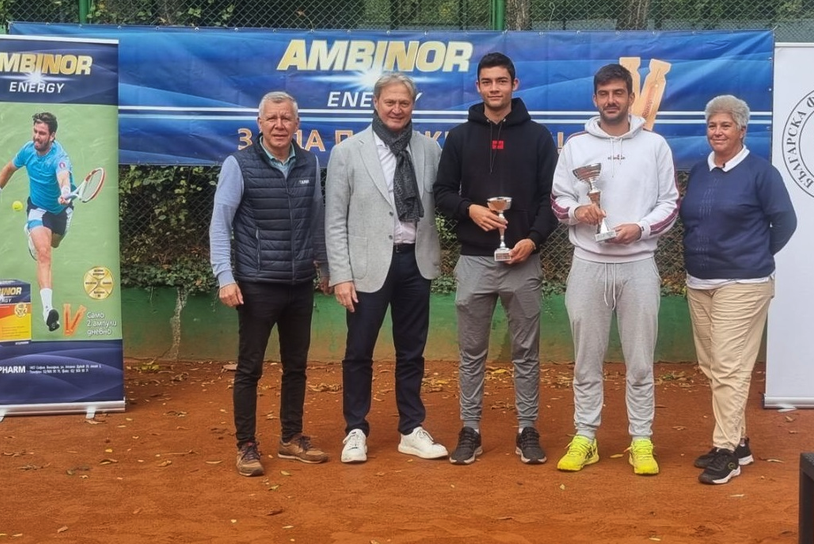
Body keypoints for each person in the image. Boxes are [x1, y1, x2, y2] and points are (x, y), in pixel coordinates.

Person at [551, 63, 679, 474]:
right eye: (604, 94)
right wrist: (579, 210)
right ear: (595, 98)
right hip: (587, 264)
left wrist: (639, 228)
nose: (611, 100)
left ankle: (641, 439)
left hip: (638, 265)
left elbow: (670, 202)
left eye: (618, 93)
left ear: (629, 97)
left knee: (640, 361)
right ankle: (585, 436)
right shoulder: (575, 147)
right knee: (586, 359)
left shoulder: (655, 145)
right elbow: (557, 200)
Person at [434, 52, 558, 465]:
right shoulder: (459, 137)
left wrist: (534, 240)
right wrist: (470, 209)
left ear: (514, 85)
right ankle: (470, 429)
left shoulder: (539, 138)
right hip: (474, 261)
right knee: (471, 353)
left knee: (526, 352)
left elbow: (549, 199)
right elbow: (443, 192)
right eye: (487, 82)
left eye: (501, 81)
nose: (494, 88)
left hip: (523, 261)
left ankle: (527, 430)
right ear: (478, 87)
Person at [326, 73, 448, 464]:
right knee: (358, 352)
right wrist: (341, 274)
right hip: (366, 269)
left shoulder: (430, 150)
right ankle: (355, 430)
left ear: (413, 106)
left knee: (411, 352)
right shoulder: (349, 151)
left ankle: (411, 429)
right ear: (376, 104)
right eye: (390, 102)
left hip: (416, 261)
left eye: (405, 103)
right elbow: (334, 219)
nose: (397, 110)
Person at [209, 91, 331, 477]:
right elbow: (219, 223)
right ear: (259, 124)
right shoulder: (238, 164)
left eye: (286, 119)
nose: (279, 125)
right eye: (272, 119)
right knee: (250, 368)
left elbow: (317, 219)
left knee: (297, 366)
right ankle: (246, 446)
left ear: (297, 124)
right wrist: (225, 276)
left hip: (299, 283)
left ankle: (291, 438)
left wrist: (325, 267)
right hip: (257, 283)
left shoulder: (310, 162)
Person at [681, 95, 797, 485]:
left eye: (725, 125)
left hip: (744, 284)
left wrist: (752, 255)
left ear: (742, 131)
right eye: (712, 125)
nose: (717, 132)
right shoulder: (699, 171)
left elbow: (785, 222)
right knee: (714, 367)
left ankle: (726, 451)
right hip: (699, 283)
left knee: (729, 366)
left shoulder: (761, 173)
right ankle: (740, 442)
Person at [0, 112, 75, 333]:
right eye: (35, 131)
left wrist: (65, 193)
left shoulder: (59, 157)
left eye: (42, 133)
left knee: (54, 244)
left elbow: (63, 177)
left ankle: (34, 237)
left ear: (52, 136)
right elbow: (8, 169)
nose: (37, 136)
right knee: (44, 254)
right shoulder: (27, 150)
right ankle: (48, 309)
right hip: (38, 210)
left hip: (62, 211)